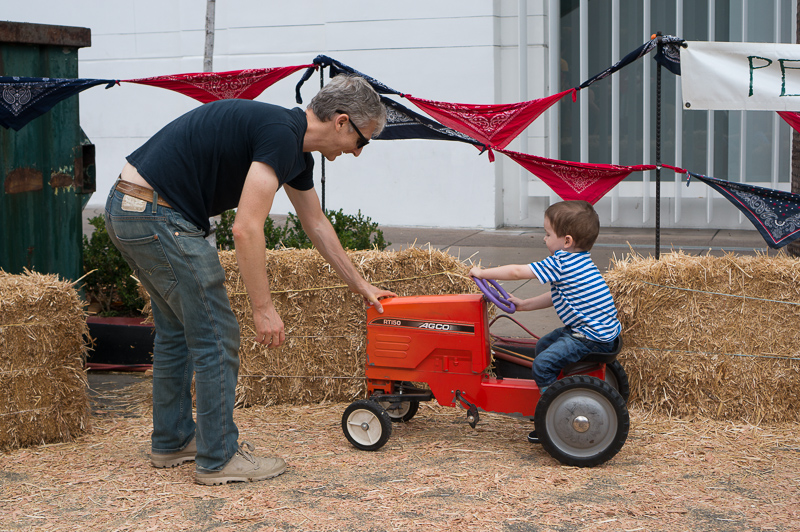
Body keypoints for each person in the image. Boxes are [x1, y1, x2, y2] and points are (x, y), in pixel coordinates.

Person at [104, 75, 396, 485]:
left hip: (131, 207)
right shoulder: (281, 134)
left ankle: (172, 440)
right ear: (342, 122)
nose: (359, 152)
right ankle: (219, 458)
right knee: (217, 335)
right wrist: (263, 309)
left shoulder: (292, 147)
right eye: (364, 140)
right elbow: (246, 227)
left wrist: (361, 285)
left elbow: (316, 223)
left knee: (176, 330)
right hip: (158, 215)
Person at [469, 200, 621, 441]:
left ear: (567, 241)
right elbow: (556, 294)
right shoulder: (581, 261)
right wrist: (524, 304)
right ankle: (552, 392)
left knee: (542, 365)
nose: (544, 239)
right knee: (542, 347)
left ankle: (552, 415)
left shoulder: (562, 262)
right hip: (598, 331)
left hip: (590, 337)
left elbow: (518, 272)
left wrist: (482, 273)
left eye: (548, 234)